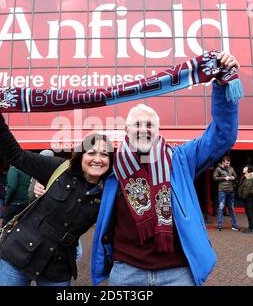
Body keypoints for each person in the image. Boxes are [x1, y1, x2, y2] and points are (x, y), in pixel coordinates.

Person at [88, 52, 241, 286]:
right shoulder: (111, 164)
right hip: (126, 271)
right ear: (126, 131)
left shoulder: (180, 159)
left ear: (158, 131)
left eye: (149, 125)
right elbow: (75, 175)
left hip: (177, 273)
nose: (143, 129)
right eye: (137, 124)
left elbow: (222, 135)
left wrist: (222, 85)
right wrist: (40, 186)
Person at [0, 89, 114, 285]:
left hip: (58, 268)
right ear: (81, 155)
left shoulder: (109, 191)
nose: (97, 159)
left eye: (104, 155)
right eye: (91, 153)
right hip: (18, 255)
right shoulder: (59, 168)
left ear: (110, 161)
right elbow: (16, 155)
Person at [213, 156, 240, 231]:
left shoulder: (231, 168)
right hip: (222, 191)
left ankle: (234, 225)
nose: (228, 164)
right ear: (223, 162)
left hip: (231, 190)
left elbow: (235, 175)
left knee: (231, 208)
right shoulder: (218, 169)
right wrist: (224, 178)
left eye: (229, 163)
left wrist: (233, 177)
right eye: (226, 163)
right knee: (221, 208)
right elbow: (214, 178)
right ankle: (219, 225)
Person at [237, 165, 253, 234]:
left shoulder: (249, 176)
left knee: (249, 212)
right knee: (250, 211)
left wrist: (243, 196)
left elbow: (247, 188)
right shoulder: (247, 176)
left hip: (248, 196)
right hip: (249, 196)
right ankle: (252, 227)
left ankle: (251, 228)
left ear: (248, 170)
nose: (244, 168)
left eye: (245, 168)